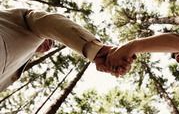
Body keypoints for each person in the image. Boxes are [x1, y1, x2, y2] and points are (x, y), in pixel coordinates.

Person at [0, 8, 132, 92]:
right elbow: (49, 23)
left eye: (52, 45)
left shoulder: (21, 60)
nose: (49, 46)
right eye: (50, 39)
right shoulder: (22, 21)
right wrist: (96, 51)